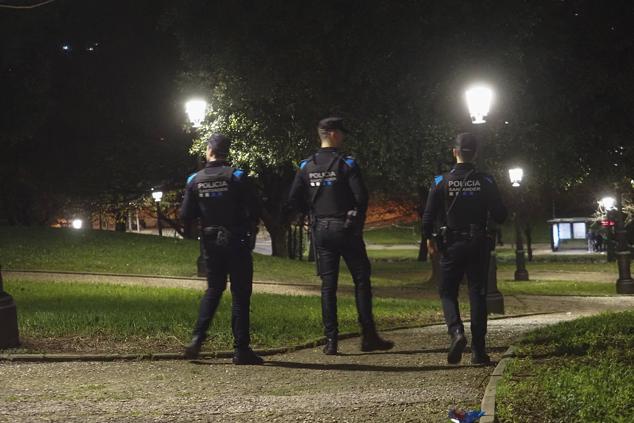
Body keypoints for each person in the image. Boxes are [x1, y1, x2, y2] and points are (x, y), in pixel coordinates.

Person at [287, 117, 394, 355]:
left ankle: (331, 341)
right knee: (361, 280)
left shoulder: (306, 166)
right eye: (341, 133)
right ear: (333, 134)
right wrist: (355, 222)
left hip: (321, 229)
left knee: (328, 286)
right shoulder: (346, 164)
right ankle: (368, 335)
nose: (343, 137)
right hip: (345, 228)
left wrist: (312, 212)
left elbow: (293, 199)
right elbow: (361, 197)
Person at [422, 133, 507, 365]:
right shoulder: (486, 181)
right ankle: (479, 352)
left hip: (451, 244)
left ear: (454, 152)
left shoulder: (441, 181)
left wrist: (429, 239)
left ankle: (456, 332)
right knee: (477, 293)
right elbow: (501, 215)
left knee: (447, 291)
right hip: (478, 243)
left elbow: (428, 217)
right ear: (475, 153)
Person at [180, 133, 263, 365]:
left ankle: (197, 338)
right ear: (227, 152)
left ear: (209, 151)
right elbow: (255, 207)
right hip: (236, 240)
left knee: (214, 289)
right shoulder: (237, 176)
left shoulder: (194, 179)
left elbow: (186, 214)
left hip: (210, 242)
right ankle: (241, 349)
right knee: (240, 294)